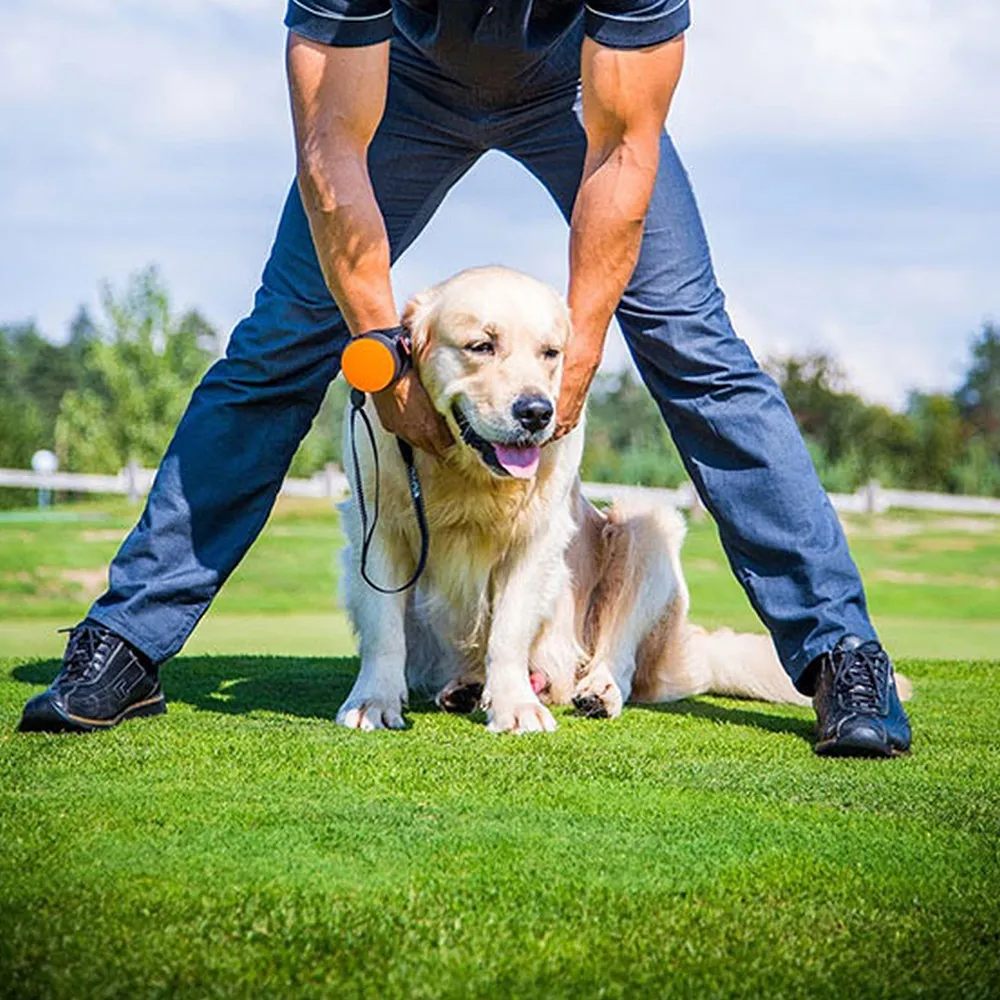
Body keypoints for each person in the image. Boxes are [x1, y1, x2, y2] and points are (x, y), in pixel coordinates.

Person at [19, 0, 910, 757]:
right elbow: (331, 141)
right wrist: (382, 358)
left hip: (573, 88)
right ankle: (126, 639)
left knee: (693, 341)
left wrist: (579, 356)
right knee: (279, 340)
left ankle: (841, 656)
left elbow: (624, 148)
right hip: (401, 85)